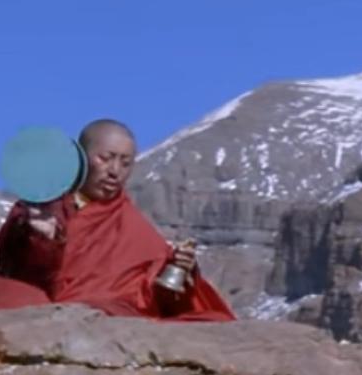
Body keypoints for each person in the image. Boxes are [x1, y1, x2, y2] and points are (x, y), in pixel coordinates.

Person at [49, 119, 235, 321]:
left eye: (125, 164)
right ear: (80, 156)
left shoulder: (130, 224)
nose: (114, 171)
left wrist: (179, 269)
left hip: (109, 315)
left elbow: (154, 298)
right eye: (105, 158)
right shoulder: (45, 205)